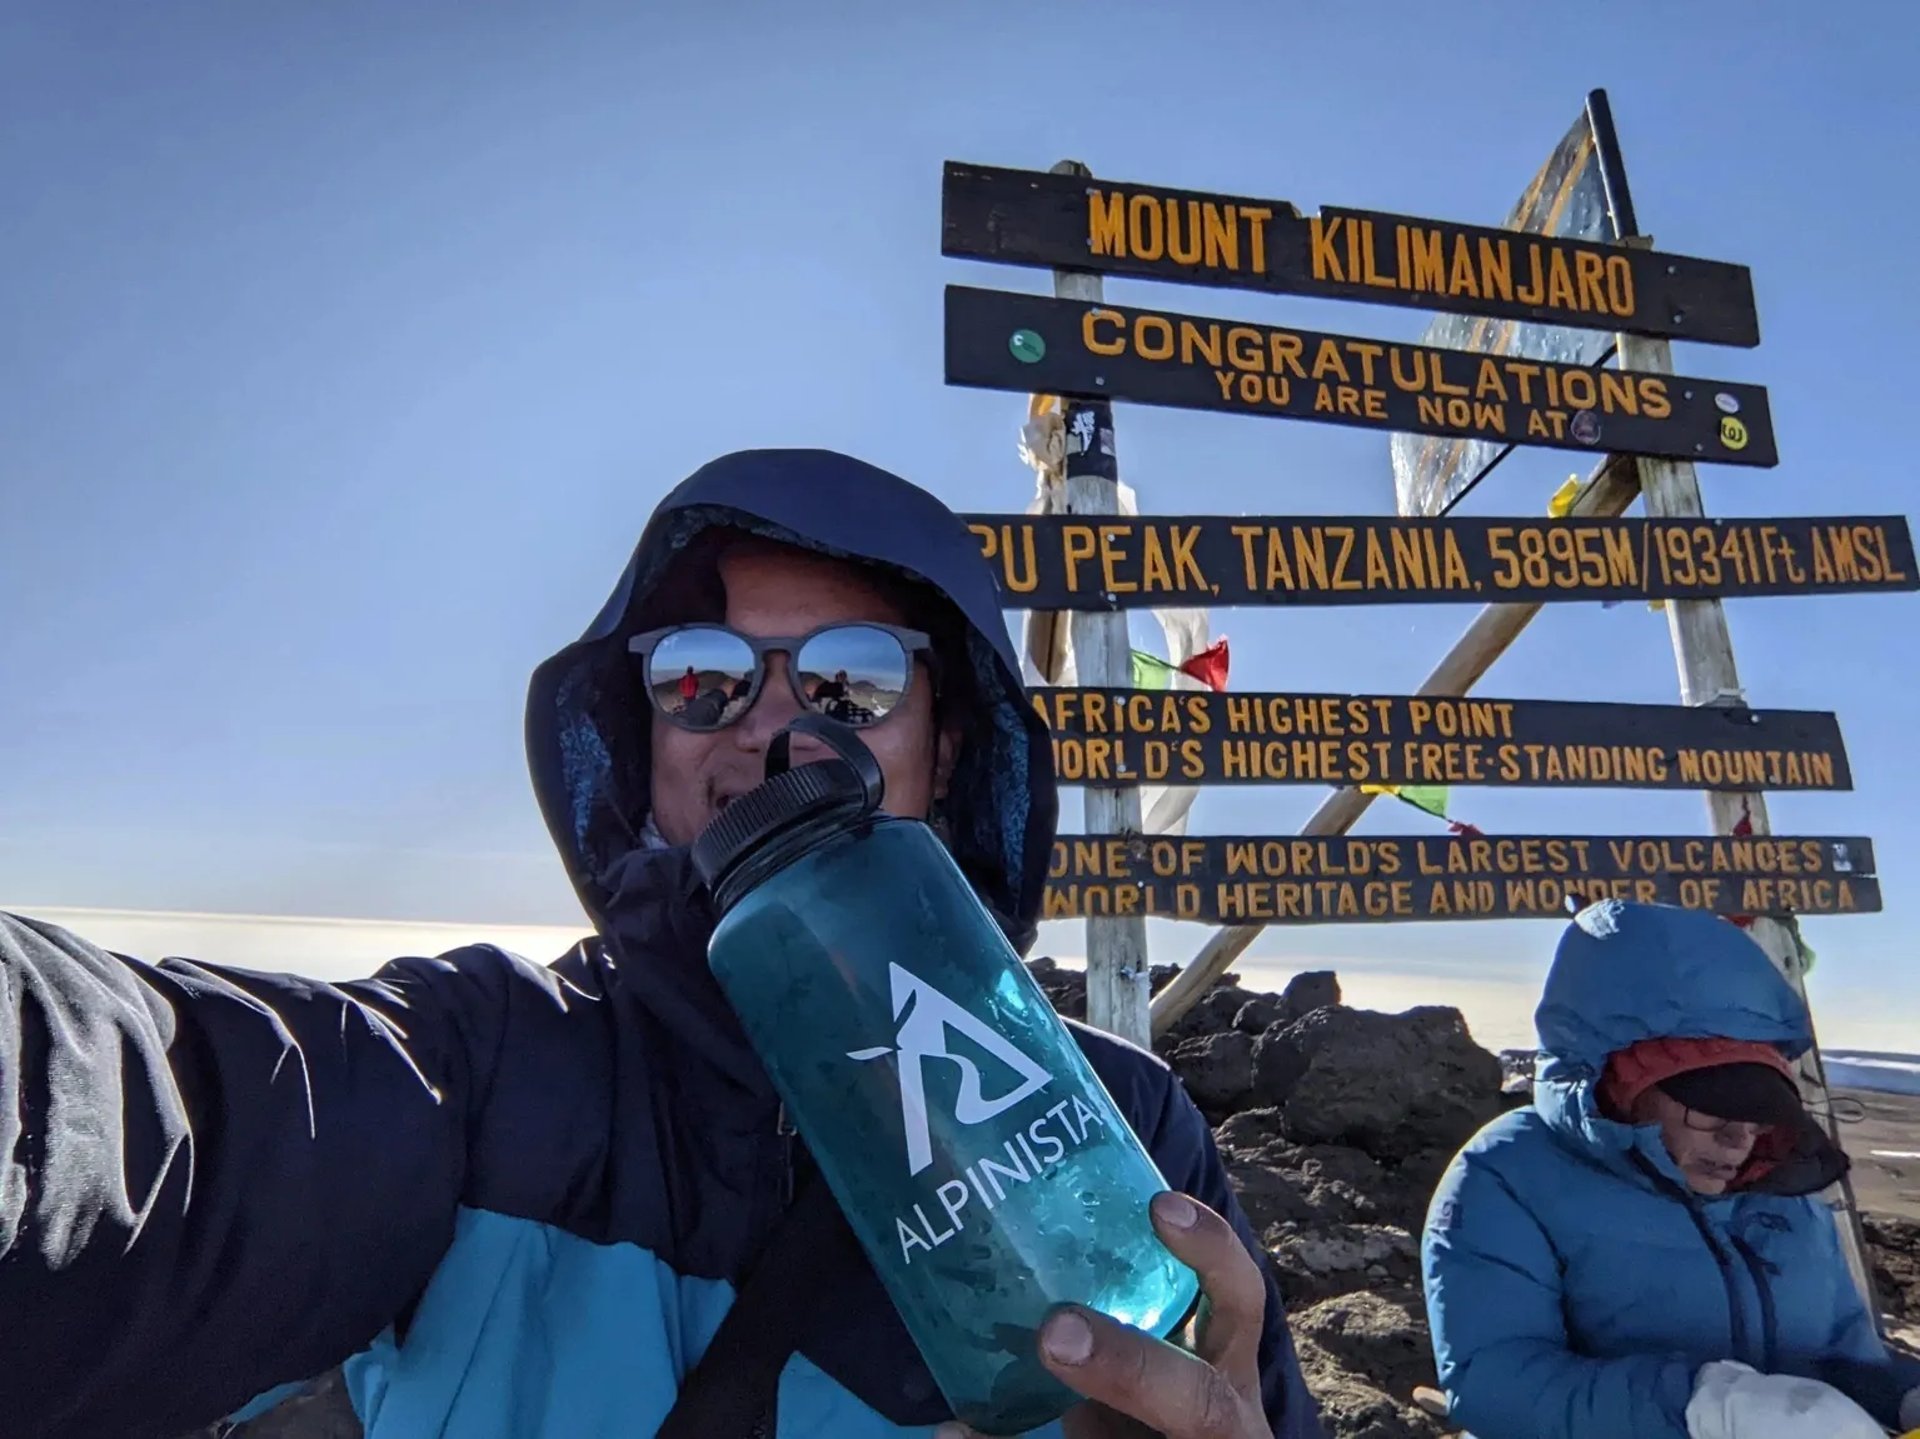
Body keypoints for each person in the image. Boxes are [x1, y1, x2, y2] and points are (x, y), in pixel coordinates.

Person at [0, 449, 1322, 1439]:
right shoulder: (491, 1066)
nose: (774, 724)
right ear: (642, 741)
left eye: (855, 677)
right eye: (703, 675)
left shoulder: (1125, 1119)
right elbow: (155, 1108)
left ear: (952, 742)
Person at [1421, 899, 1920, 1439]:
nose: (1738, 1141)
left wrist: (1901, 1397)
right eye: (1710, 1107)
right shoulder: (1508, 1173)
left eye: (1759, 1116)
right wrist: (1703, 1408)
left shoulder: (1783, 1190)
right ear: (1621, 1081)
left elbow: (1845, 1356)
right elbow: (1494, 1384)